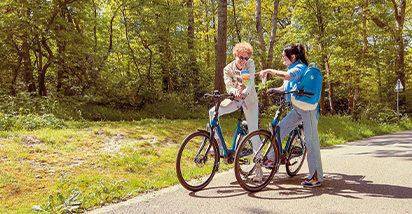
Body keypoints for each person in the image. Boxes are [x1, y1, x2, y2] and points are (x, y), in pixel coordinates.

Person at [257, 43, 323, 187]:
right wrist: (275, 89)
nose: (282, 58)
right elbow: (287, 85)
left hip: (308, 109)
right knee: (279, 129)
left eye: (283, 56)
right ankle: (272, 158)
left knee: (311, 141)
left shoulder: (299, 68)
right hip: (298, 108)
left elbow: (288, 77)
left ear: (292, 56)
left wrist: (268, 70)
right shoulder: (293, 68)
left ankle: (316, 176)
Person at [208, 42, 262, 181]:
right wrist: (234, 92)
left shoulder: (250, 64)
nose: (244, 61)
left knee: (253, 131)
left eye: (246, 58)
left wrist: (242, 92)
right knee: (213, 112)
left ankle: (258, 169)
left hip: (249, 100)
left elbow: (249, 85)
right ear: (235, 56)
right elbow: (228, 86)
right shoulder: (228, 69)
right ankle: (218, 146)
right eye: (241, 58)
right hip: (235, 98)